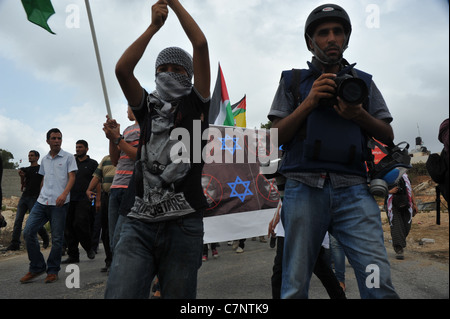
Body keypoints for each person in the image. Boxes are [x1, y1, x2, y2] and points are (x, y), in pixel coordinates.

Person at [268, 4, 399, 298]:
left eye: (338, 32)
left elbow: (387, 135)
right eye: (323, 33)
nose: (331, 39)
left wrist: (357, 114)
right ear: (310, 41)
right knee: (295, 283)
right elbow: (274, 137)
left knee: (377, 278)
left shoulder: (362, 83)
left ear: (346, 38)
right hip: (303, 188)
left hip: (354, 190)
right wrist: (310, 101)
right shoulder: (292, 80)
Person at [104, 0, 210, 299]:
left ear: (189, 75)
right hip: (137, 222)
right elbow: (123, 70)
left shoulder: (197, 104)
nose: (168, 73)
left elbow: (200, 44)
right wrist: (153, 27)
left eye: (177, 69)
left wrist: (173, 4)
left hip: (184, 224)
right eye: (162, 68)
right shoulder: (147, 108)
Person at [20, 128, 77, 284]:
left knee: (57, 239)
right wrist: (40, 194)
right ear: (48, 141)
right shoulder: (44, 160)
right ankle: (37, 266)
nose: (57, 140)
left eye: (59, 138)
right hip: (42, 202)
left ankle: (52, 270)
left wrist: (64, 194)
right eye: (54, 138)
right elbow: (44, 179)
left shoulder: (68, 157)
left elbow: (72, 177)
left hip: (59, 204)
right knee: (28, 232)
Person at [102, 106, 140, 251]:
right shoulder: (127, 130)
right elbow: (115, 160)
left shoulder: (145, 129)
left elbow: (139, 156)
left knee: (123, 238)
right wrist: (112, 138)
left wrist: (118, 138)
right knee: (114, 239)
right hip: (116, 188)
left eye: (129, 106)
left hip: (131, 189)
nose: (127, 110)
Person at [62, 140, 98, 263]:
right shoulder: (72, 162)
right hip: (70, 199)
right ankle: (73, 256)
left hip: (85, 199)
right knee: (69, 228)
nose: (78, 149)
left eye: (80, 147)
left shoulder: (93, 163)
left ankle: (89, 248)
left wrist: (97, 200)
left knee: (80, 224)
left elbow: (98, 179)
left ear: (87, 149)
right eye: (76, 147)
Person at [6, 151, 49, 251]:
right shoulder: (26, 169)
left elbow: (44, 182)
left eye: (32, 156)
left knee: (34, 221)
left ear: (37, 157)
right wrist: (21, 176)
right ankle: (15, 244)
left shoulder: (41, 169)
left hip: (35, 198)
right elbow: (23, 184)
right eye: (29, 156)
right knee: (18, 220)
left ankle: (45, 237)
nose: (30, 157)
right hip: (24, 197)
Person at [86, 155, 116, 272]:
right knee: (106, 232)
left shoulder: (128, 156)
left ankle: (118, 263)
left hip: (123, 197)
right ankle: (109, 261)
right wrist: (89, 190)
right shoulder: (105, 159)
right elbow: (97, 177)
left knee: (116, 231)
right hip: (106, 197)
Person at [386, 173, 417, 260]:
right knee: (396, 226)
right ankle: (399, 248)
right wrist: (389, 191)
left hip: (406, 203)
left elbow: (410, 189)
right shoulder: (386, 174)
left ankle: (399, 242)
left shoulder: (405, 175)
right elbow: (377, 189)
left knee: (406, 226)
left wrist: (414, 204)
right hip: (392, 204)